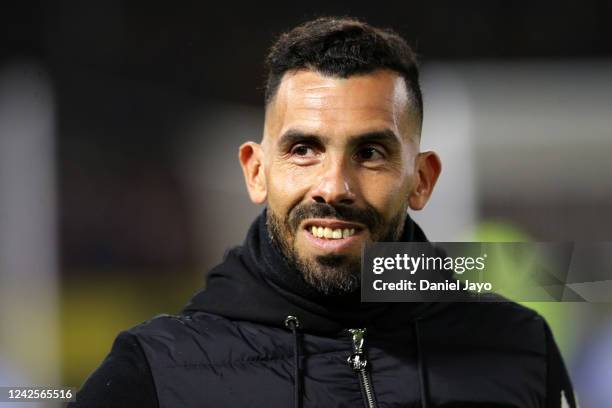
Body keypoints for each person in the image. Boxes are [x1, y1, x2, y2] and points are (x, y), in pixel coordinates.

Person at [71, 17, 576, 408]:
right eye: (304, 150)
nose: (333, 187)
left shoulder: (519, 350)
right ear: (256, 171)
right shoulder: (156, 370)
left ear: (422, 181)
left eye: (371, 153)